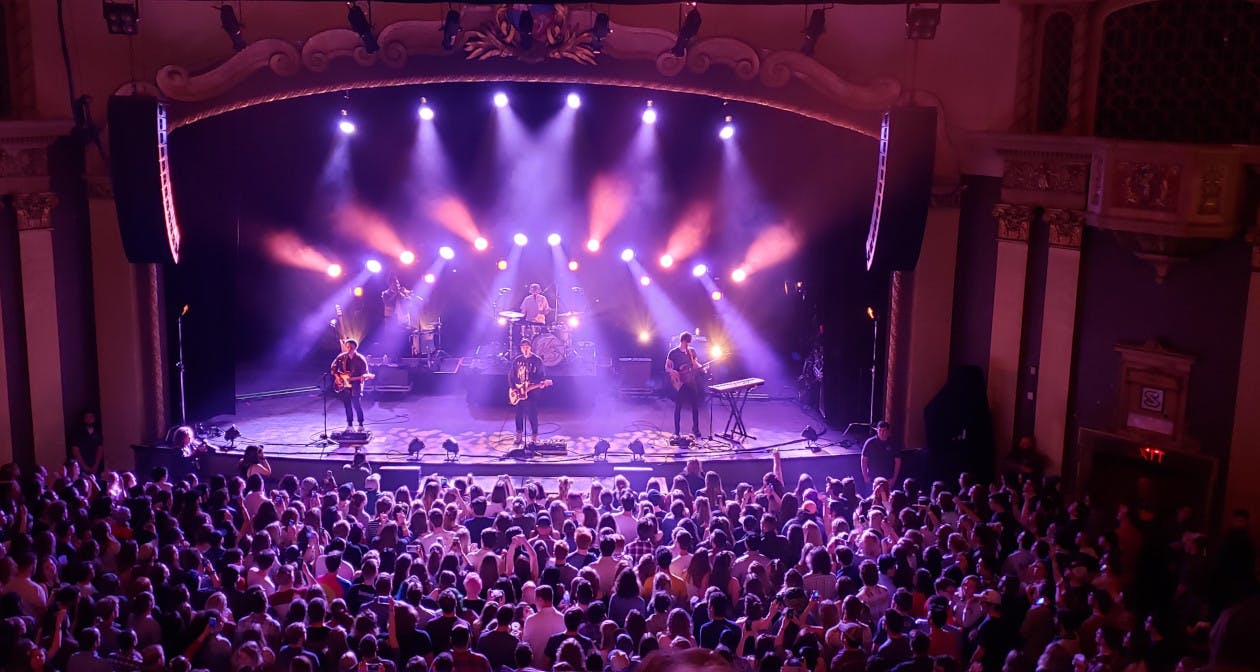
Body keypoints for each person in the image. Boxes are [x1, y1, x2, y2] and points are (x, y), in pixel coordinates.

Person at [666, 332, 705, 440]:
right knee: (678, 406)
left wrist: (702, 367)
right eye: (686, 342)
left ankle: (696, 429)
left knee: (695, 406)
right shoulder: (673, 353)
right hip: (680, 383)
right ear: (682, 341)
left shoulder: (691, 351)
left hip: (691, 381)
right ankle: (677, 431)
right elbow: (667, 367)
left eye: (689, 343)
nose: (687, 345)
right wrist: (672, 371)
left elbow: (695, 364)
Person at [510, 338, 549, 445]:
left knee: (532, 414)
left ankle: (534, 437)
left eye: (527, 347)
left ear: (530, 347)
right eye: (523, 347)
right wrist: (513, 388)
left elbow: (541, 376)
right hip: (519, 392)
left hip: (532, 392)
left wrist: (536, 385)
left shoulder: (537, 360)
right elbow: (511, 375)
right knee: (519, 414)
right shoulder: (517, 360)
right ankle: (519, 435)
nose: (525, 349)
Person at [330, 338, 370, 431]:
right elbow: (333, 368)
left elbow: (365, 373)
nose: (349, 349)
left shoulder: (360, 359)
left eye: (351, 347)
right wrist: (337, 377)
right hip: (345, 386)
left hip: (356, 386)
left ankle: (360, 424)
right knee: (347, 405)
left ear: (355, 347)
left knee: (357, 405)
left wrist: (363, 377)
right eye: (347, 347)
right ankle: (350, 425)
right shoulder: (341, 357)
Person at [861, 420, 902, 489]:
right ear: (877, 430)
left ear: (888, 431)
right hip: (873, 479)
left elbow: (898, 462)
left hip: (888, 479)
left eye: (884, 430)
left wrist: (894, 478)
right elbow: (864, 460)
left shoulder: (893, 443)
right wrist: (865, 476)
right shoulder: (870, 443)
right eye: (880, 430)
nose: (882, 433)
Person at [68, 410, 104, 475]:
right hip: (82, 467)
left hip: (95, 467)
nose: (90, 419)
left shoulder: (98, 432)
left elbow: (100, 449)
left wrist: (96, 465)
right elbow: (75, 450)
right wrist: (84, 466)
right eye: (87, 417)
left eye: (91, 417)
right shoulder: (77, 432)